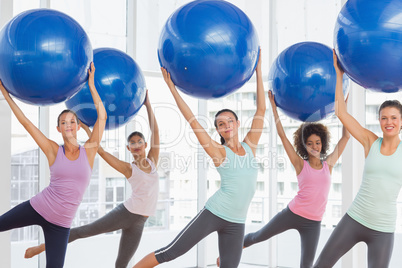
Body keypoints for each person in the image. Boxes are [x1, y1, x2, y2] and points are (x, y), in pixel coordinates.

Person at [132, 50, 265, 268]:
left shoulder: (250, 146)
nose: (226, 125)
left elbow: (261, 108)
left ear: (238, 123)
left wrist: (259, 71)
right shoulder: (219, 152)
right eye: (221, 124)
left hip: (237, 222)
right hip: (214, 212)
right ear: (219, 131)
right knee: (171, 252)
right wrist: (172, 89)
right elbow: (193, 121)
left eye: (229, 121)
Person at [24, 91, 159, 268]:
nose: (136, 145)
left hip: (140, 221)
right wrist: (89, 130)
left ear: (145, 144)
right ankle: (40, 248)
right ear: (128, 148)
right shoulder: (128, 168)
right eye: (132, 143)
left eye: (139, 142)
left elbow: (155, 131)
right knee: (84, 231)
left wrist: (148, 105)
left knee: (122, 263)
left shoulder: (153, 160)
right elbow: (100, 151)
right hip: (126, 213)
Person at [217, 90, 350, 267]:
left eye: (317, 143)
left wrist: (343, 106)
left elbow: (346, 136)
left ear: (323, 143)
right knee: (259, 236)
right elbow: (282, 136)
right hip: (293, 213)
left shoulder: (329, 164)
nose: (314, 147)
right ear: (304, 146)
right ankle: (228, 254)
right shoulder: (299, 164)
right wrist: (274, 108)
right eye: (309, 143)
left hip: (314, 222)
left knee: (307, 264)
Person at [0, 62, 107, 268]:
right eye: (64, 122)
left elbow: (102, 117)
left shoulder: (90, 150)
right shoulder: (52, 150)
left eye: (72, 122)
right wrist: (5, 93)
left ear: (77, 127)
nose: (68, 125)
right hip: (39, 207)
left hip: (61, 225)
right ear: (58, 129)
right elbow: (26, 123)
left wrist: (91, 85)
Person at [312, 51, 402, 268]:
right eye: (384, 118)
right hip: (355, 219)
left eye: (394, 118)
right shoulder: (371, 141)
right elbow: (342, 113)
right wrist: (339, 74)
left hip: (383, 228)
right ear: (379, 121)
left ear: (401, 121)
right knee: (321, 265)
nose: (388, 122)